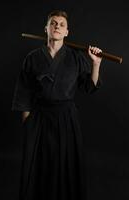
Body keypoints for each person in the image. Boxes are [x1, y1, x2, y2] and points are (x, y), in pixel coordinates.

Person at [12, 10, 103, 200]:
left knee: (65, 163)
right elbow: (24, 92)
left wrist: (96, 64)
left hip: (66, 118)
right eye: (53, 23)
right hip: (39, 117)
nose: (57, 27)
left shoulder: (76, 58)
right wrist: (28, 123)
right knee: (38, 163)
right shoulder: (33, 57)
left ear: (67, 32)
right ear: (46, 28)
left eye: (62, 24)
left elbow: (89, 87)